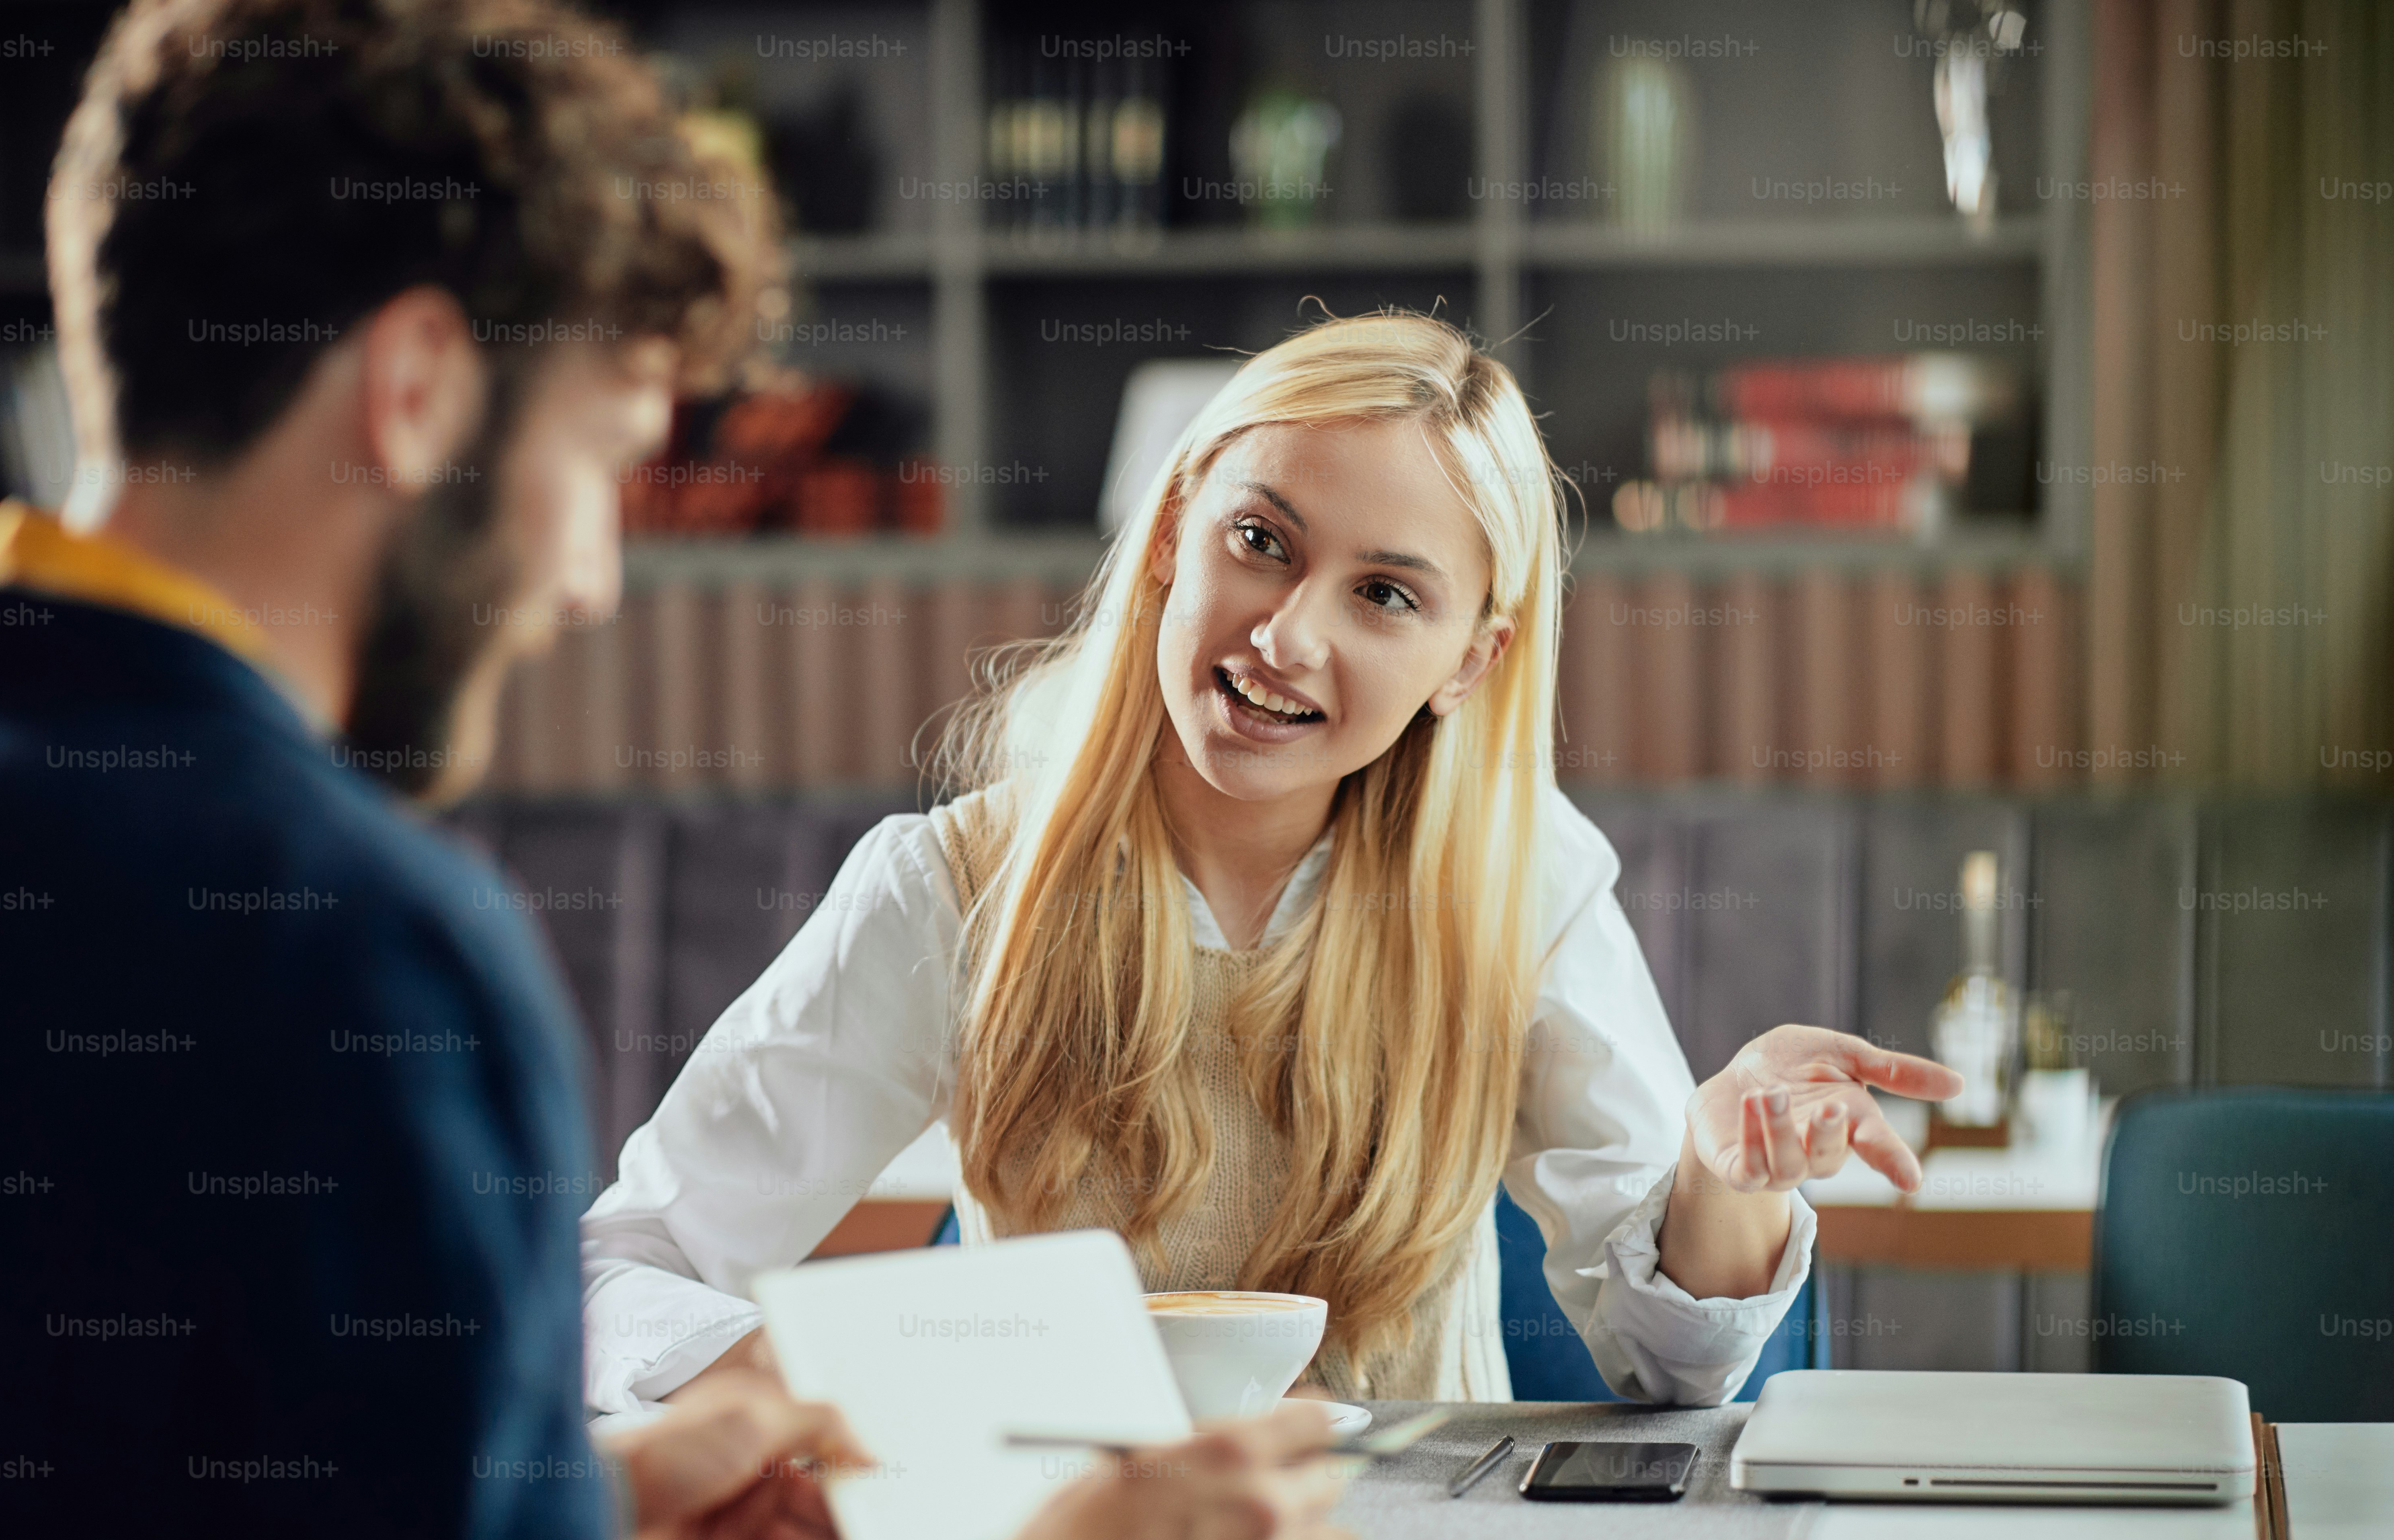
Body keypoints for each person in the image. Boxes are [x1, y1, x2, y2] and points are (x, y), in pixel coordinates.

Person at [0, 3, 1357, 1540]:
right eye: (604, 458)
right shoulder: (357, 951)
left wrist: (553, 1538)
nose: (587, 577)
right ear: (418, 390)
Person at [578, 311, 1962, 1417]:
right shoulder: (952, 884)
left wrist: (1725, 1175)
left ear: (1467, 660)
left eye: (1384, 595)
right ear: (1175, 530)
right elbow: (618, 1273)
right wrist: (842, 1387)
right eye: (1260, 544)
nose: (1288, 638)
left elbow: (1674, 1371)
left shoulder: (1522, 890)